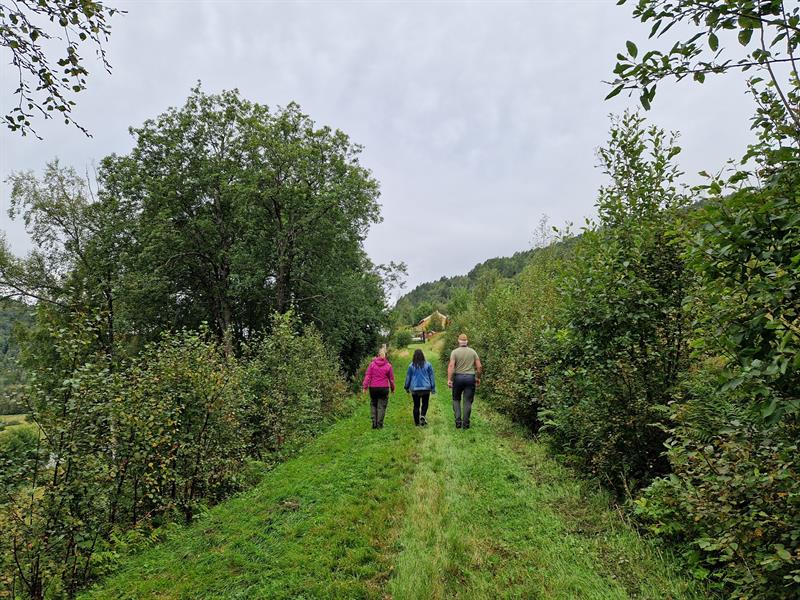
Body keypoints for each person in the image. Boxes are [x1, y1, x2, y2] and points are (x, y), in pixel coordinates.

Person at [447, 333, 482, 429]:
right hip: (470, 378)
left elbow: (451, 366)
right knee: (467, 401)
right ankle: (466, 424)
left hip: (458, 378)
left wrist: (449, 379)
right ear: (467, 341)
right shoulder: (473, 352)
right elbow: (479, 367)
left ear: (459, 341)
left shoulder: (454, 352)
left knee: (456, 399)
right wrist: (478, 378)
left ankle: (458, 421)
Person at [362, 348, 395, 429]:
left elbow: (368, 376)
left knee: (373, 404)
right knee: (382, 406)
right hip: (384, 388)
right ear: (385, 356)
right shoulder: (388, 366)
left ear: (378, 355)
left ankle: (374, 422)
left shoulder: (372, 364)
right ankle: (379, 424)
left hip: (373, 388)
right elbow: (391, 379)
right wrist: (393, 388)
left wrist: (365, 387)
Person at [403, 349, 436, 426]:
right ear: (422, 356)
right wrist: (433, 388)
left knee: (416, 405)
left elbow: (408, 377)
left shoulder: (411, 366)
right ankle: (422, 415)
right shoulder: (428, 365)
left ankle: (417, 423)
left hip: (415, 389)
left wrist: (406, 387)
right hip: (426, 388)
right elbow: (432, 377)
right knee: (425, 403)